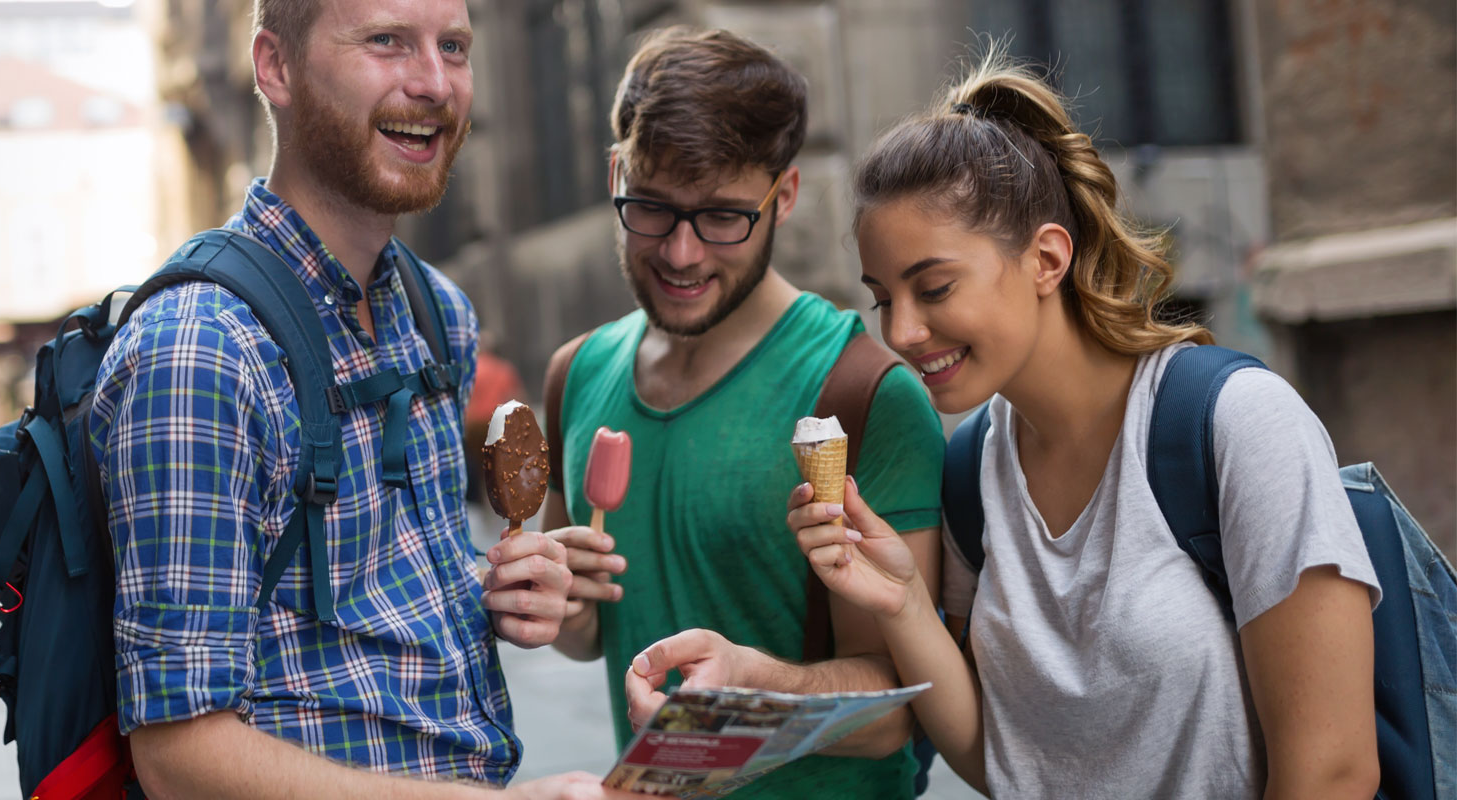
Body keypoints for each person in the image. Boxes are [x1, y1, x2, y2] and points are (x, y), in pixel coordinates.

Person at [784, 51, 1382, 798]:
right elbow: (1002, 758)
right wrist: (903, 601)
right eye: (882, 299)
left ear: (1046, 259)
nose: (901, 331)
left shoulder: (1237, 423)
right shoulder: (970, 469)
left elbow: (1333, 772)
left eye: (933, 287)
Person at [89, 2, 630, 798]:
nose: (435, 84)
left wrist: (506, 591)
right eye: (386, 42)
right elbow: (180, 760)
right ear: (274, 66)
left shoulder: (436, 312)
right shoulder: (202, 350)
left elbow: (367, 618)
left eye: (453, 47)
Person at [542, 28, 949, 798]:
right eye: (653, 208)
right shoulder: (576, 373)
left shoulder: (862, 393)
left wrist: (752, 691)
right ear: (614, 175)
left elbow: (901, 708)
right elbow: (589, 638)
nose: (683, 253)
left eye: (724, 216)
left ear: (784, 196)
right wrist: (557, 606)